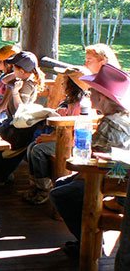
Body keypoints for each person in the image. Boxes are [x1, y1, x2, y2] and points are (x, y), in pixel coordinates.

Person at [50, 64, 130, 257]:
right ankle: (87, 240)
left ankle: (89, 243)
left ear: (102, 97)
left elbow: (108, 166)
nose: (89, 95)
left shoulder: (111, 125)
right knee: (63, 185)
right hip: (118, 177)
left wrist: (82, 177)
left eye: (91, 91)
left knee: (62, 194)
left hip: (115, 182)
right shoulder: (120, 118)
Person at [23, 67, 93, 205]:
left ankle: (44, 188)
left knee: (38, 150)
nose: (62, 85)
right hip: (61, 137)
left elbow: (72, 131)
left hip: (72, 143)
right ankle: (36, 185)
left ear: (73, 85)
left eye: (65, 82)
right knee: (32, 146)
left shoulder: (82, 105)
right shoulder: (70, 102)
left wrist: (50, 138)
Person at [0, 51, 45, 184]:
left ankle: (1, 176)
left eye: (15, 67)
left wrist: (15, 92)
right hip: (12, 121)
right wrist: (16, 73)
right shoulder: (21, 78)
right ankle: (0, 174)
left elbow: (21, 107)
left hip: (20, 125)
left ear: (22, 70)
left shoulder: (28, 84)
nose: (12, 69)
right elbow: (4, 80)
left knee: (3, 150)